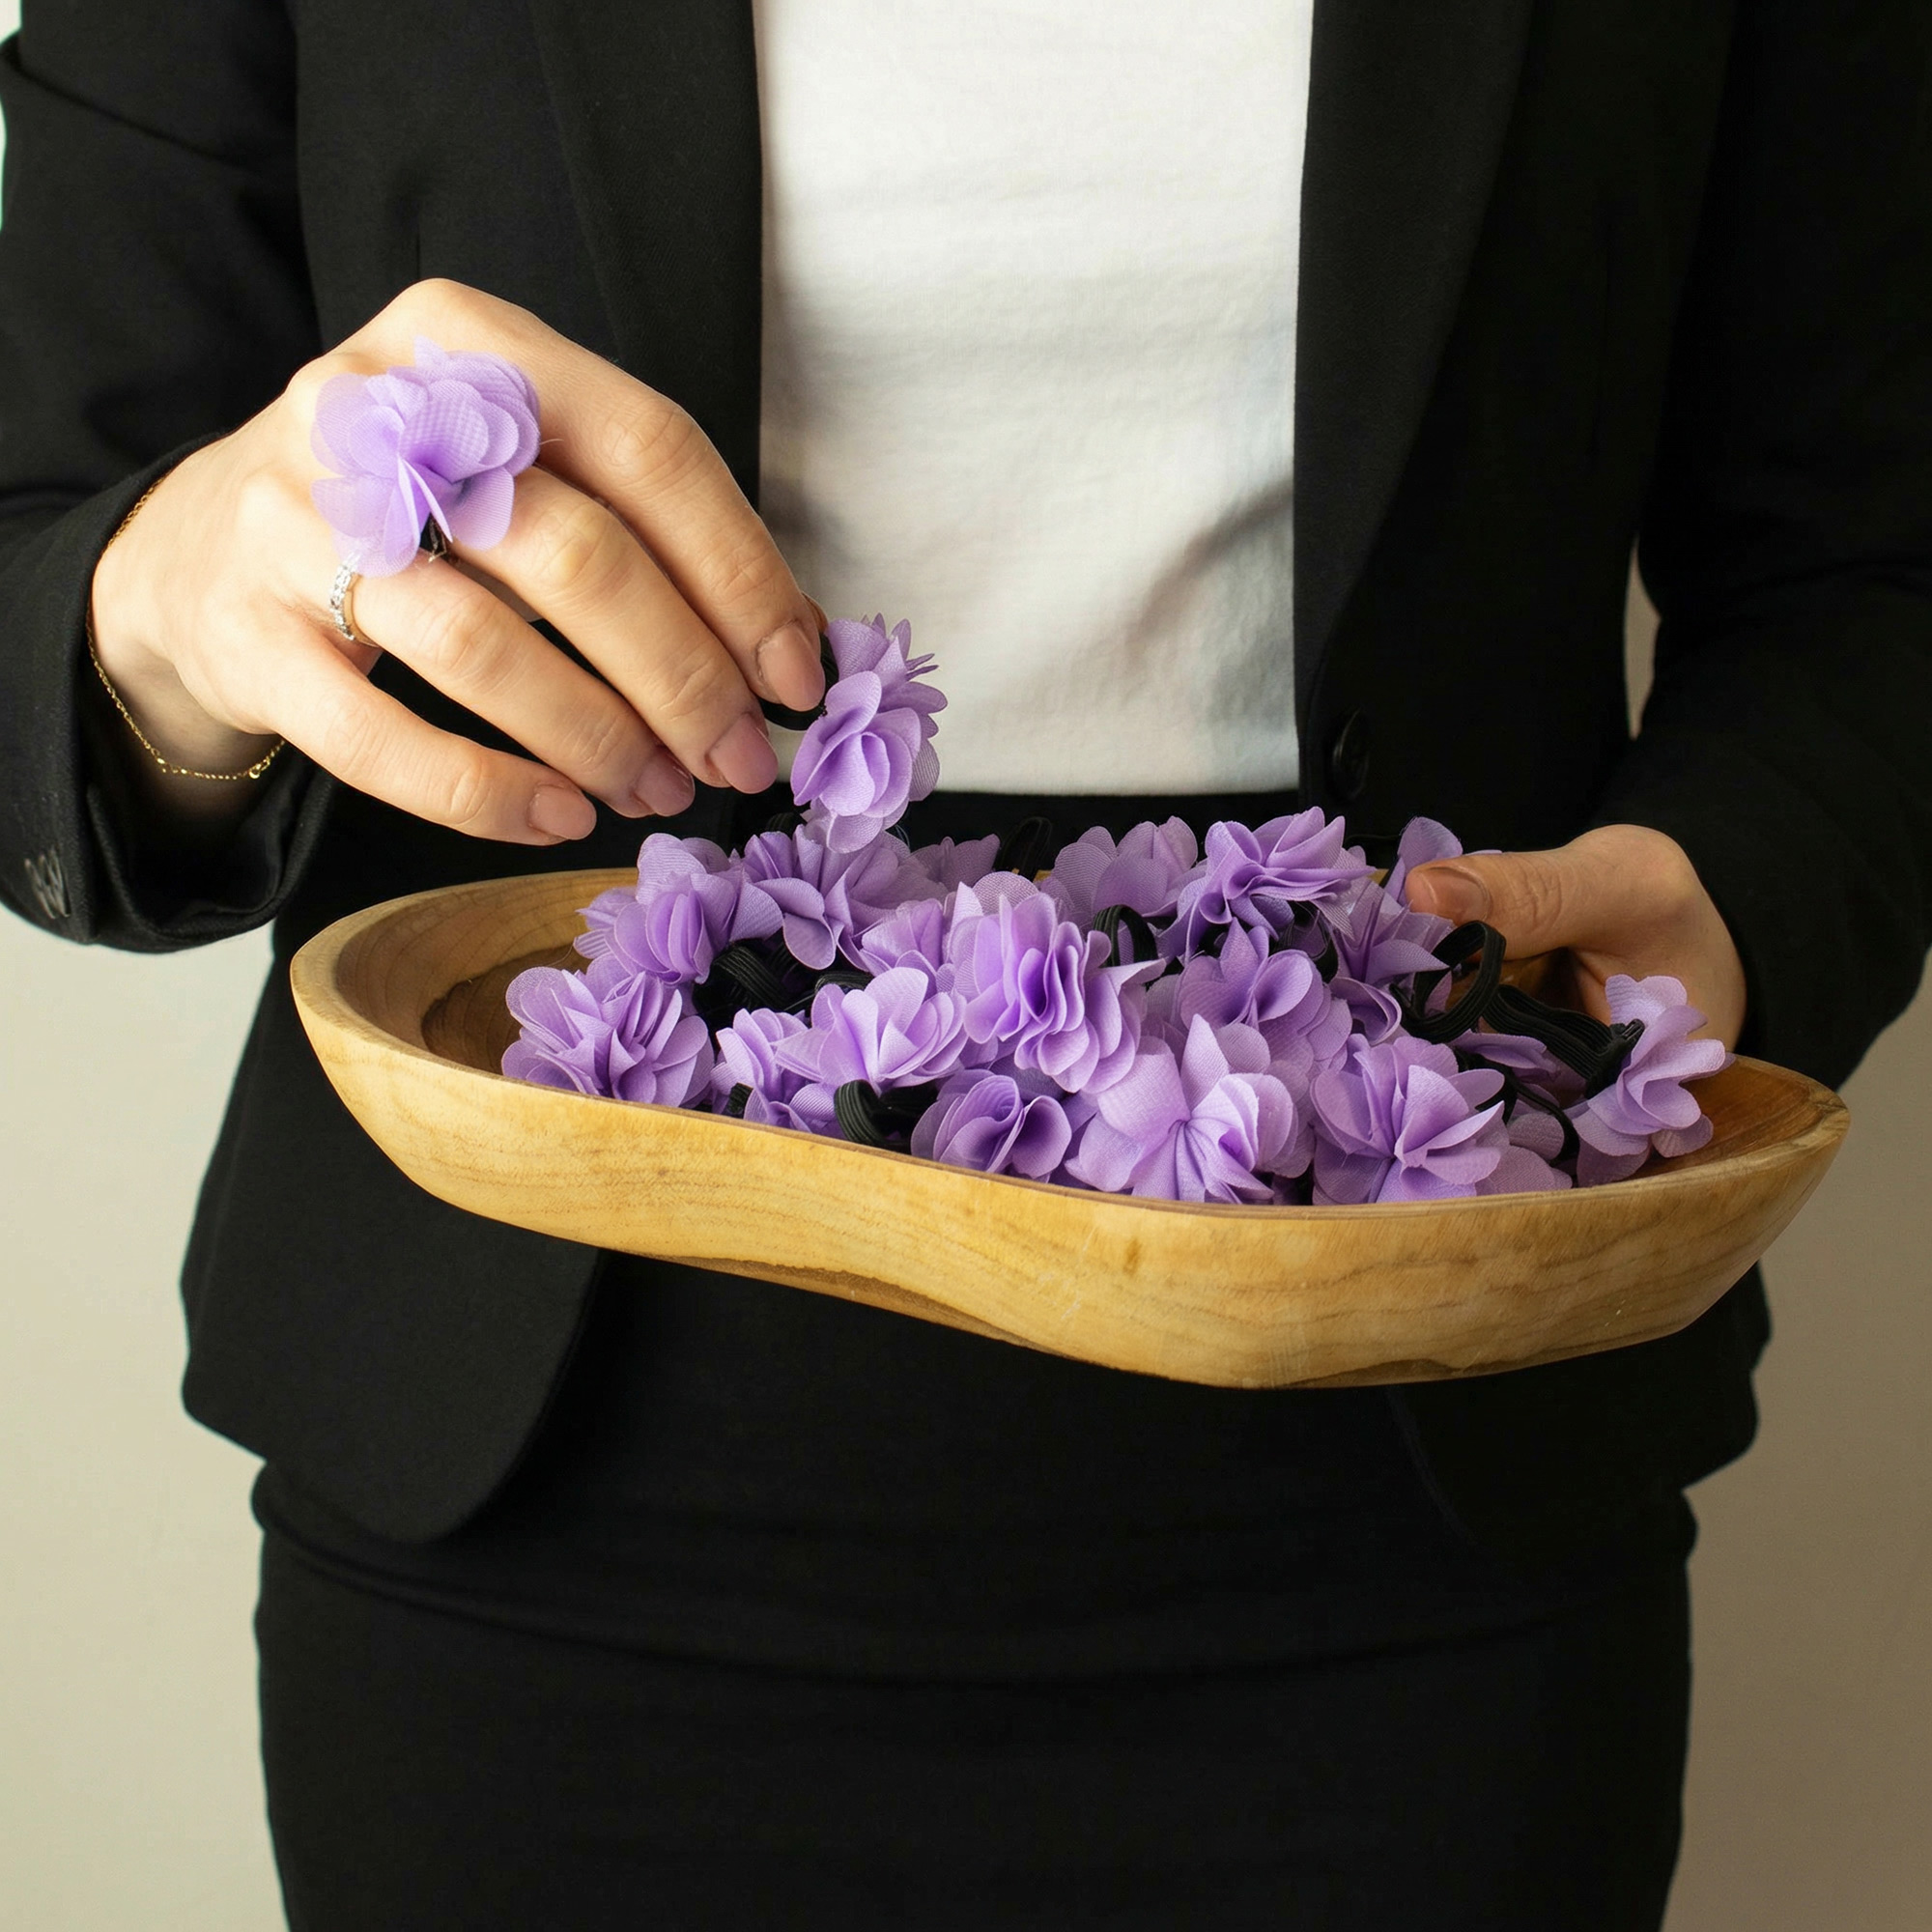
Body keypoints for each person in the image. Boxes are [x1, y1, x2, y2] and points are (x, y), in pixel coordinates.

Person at [2, 1, 1927, 1925]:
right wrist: (169, 603)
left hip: (1419, 1491)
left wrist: (1739, 892)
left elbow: (1866, 565)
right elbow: (43, 537)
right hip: (531, 1508)